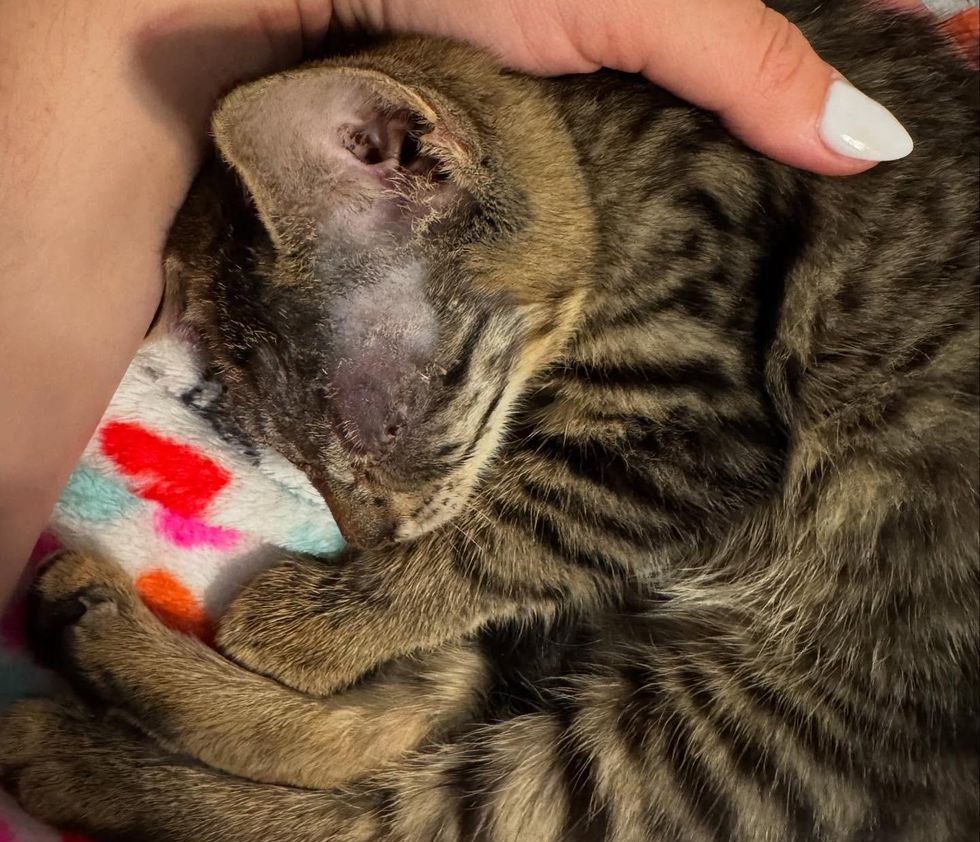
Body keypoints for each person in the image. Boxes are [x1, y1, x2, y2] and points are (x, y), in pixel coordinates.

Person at [0, 0, 915, 605]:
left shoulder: (643, 206)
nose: (367, 529)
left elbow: (690, 453)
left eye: (383, 428)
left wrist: (380, 609)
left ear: (414, 160)